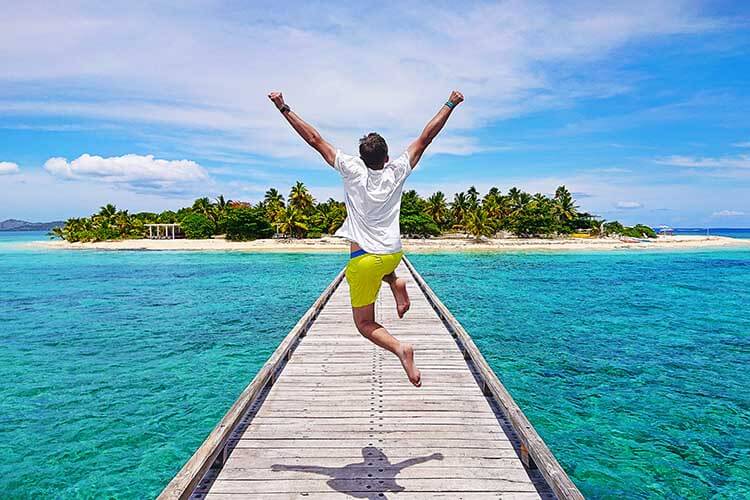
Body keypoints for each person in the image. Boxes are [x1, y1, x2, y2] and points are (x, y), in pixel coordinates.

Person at [268, 90, 464, 387]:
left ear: (361, 158)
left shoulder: (351, 169)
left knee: (364, 323)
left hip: (364, 261)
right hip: (393, 255)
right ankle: (395, 282)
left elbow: (314, 140)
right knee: (382, 264)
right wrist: (450, 103)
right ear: (387, 158)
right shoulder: (397, 170)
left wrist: (283, 107)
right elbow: (426, 138)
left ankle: (400, 349)